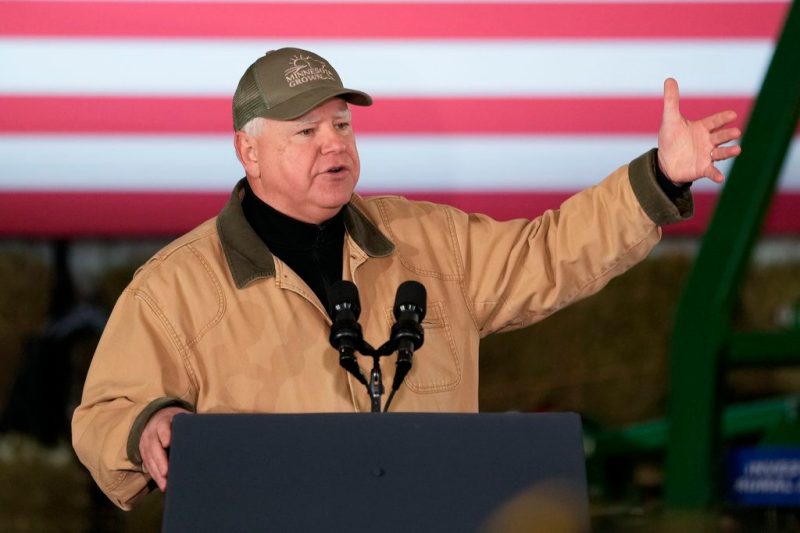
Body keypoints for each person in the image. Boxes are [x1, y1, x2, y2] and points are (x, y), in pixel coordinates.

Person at [72, 47, 741, 509]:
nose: (335, 143)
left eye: (342, 124)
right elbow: (103, 415)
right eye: (306, 131)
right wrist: (147, 425)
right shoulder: (176, 287)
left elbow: (550, 254)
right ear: (249, 150)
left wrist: (658, 179)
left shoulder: (430, 241)